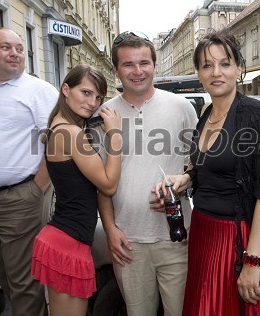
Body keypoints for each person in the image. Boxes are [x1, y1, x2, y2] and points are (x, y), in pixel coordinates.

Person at [155, 29, 260, 316]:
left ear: (239, 69)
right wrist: (186, 177)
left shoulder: (258, 115)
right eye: (207, 65)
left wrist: (252, 261)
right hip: (201, 231)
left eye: (225, 63)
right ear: (199, 73)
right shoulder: (205, 115)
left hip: (233, 240)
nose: (216, 72)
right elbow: (208, 167)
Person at [96, 31, 197, 316]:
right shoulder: (104, 115)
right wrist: (111, 229)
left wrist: (184, 181)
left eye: (144, 62)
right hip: (127, 242)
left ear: (154, 65)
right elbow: (100, 182)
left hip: (176, 236)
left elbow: (198, 163)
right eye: (128, 64)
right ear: (116, 70)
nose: (137, 71)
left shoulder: (182, 107)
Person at [31, 64, 122, 315]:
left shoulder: (58, 126)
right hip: (67, 242)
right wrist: (115, 134)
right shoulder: (70, 133)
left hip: (65, 239)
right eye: (85, 93)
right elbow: (108, 184)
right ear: (66, 89)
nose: (92, 103)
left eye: (98, 97)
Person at [0, 27, 58, 315]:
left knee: (24, 284)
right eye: (6, 47)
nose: (15, 53)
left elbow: (59, 141)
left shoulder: (38, 90)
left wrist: (37, 188)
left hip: (20, 198)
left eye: (20, 48)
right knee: (5, 278)